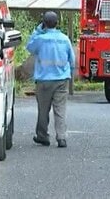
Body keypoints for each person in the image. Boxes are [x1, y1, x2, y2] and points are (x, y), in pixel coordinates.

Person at [26, 11, 75, 148]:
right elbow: (72, 59)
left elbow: (29, 46)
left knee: (43, 110)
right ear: (57, 23)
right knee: (60, 109)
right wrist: (69, 73)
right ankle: (61, 137)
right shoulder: (64, 39)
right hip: (61, 79)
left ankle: (43, 136)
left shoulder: (40, 39)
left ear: (44, 23)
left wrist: (37, 30)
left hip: (44, 80)